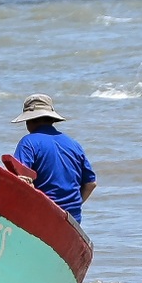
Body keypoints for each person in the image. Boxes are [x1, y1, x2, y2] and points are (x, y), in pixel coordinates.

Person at [9, 95, 96, 223]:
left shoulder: (28, 142)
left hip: (44, 215)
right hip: (72, 219)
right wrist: (72, 208)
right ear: (52, 119)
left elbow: (21, 182)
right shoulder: (74, 144)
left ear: (29, 121)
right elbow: (91, 184)